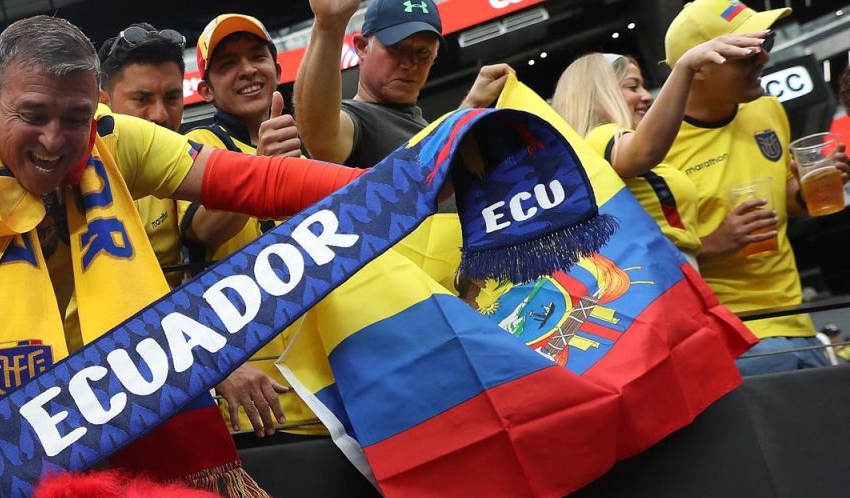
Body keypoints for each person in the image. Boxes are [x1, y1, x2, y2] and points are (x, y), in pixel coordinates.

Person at [0, 15, 365, 488]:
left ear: (96, 107)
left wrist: (398, 180)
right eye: (34, 114)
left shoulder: (112, 137)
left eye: (75, 118)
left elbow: (252, 180)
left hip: (61, 398)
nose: (54, 140)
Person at [664, 0, 849, 375]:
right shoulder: (656, 150)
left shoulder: (767, 110)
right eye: (746, 52)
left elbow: (783, 199)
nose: (763, 57)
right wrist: (715, 241)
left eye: (766, 41)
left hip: (798, 321)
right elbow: (643, 261)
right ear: (698, 67)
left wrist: (810, 187)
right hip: (736, 336)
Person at [179, 13, 317, 439]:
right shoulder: (199, 146)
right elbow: (201, 232)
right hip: (259, 407)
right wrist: (263, 169)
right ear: (206, 90)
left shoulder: (315, 144)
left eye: (257, 56)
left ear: (278, 69)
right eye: (227, 65)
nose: (247, 70)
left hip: (334, 387)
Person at [552, 38, 765, 264]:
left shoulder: (595, 150)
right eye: (633, 86)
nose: (646, 96)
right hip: (664, 274)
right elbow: (645, 152)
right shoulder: (600, 136)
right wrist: (685, 67)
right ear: (596, 96)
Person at [294, 0, 511, 168]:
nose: (409, 63)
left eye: (422, 52)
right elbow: (320, 137)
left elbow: (433, 167)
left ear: (434, 56)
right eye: (397, 48)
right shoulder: (358, 120)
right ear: (361, 47)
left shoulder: (425, 131)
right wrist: (328, 25)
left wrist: (469, 108)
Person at [98, 23, 190, 282]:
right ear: (103, 102)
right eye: (142, 99)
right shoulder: (65, 173)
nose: (159, 115)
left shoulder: (187, 160)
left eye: (172, 98)